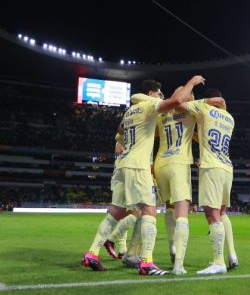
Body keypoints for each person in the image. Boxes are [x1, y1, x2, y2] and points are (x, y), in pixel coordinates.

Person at [81, 76, 205, 275]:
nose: (160, 97)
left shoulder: (130, 110)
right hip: (138, 166)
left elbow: (120, 130)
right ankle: (146, 262)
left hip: (122, 166)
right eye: (158, 94)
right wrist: (191, 83)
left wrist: (123, 142)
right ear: (150, 94)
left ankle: (92, 253)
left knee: (115, 211)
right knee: (149, 210)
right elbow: (175, 102)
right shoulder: (149, 106)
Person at [177, 88, 238, 274]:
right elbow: (205, 136)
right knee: (221, 212)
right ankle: (232, 255)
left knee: (211, 214)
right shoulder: (229, 118)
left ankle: (218, 262)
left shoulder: (203, 108)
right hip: (227, 167)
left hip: (211, 167)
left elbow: (179, 104)